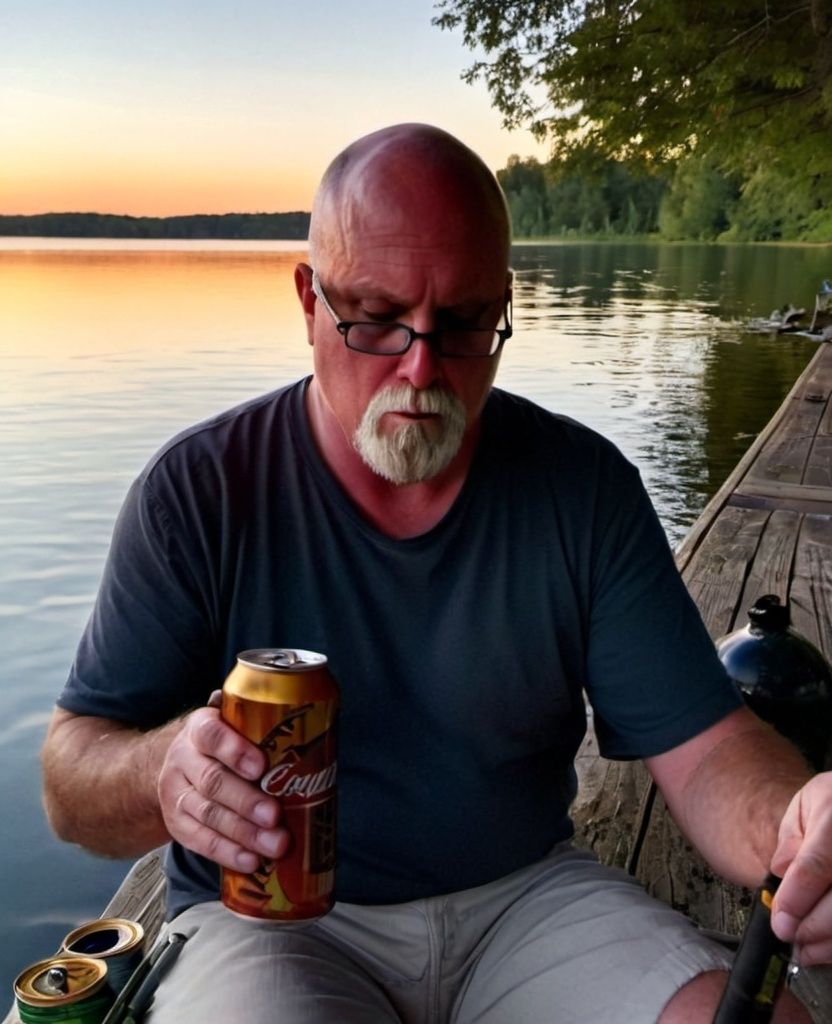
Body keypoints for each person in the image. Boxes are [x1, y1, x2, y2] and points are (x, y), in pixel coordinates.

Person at [40, 123, 831, 1024]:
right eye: (376, 318)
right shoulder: (198, 492)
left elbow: (709, 752)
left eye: (460, 324)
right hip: (266, 921)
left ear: (504, 304)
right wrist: (160, 775)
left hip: (522, 898)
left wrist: (800, 824)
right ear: (308, 300)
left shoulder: (581, 488)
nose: (421, 370)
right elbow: (71, 782)